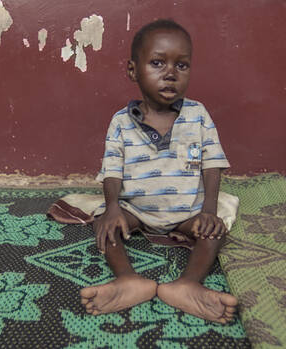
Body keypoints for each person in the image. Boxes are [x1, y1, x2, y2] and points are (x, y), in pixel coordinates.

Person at [79, 19, 239, 324]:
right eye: (157, 63)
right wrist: (113, 207)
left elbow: (212, 163)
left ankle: (188, 284)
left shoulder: (198, 115)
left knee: (214, 231)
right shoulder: (121, 122)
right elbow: (112, 170)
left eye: (182, 66)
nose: (170, 74)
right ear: (132, 70)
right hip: (136, 210)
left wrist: (208, 210)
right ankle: (127, 280)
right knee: (105, 224)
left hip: (187, 211)